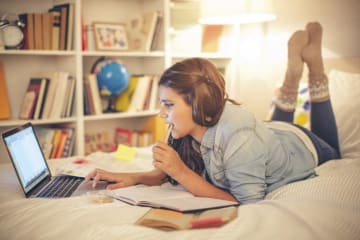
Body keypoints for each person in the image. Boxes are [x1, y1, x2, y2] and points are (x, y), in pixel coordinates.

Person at [85, 22, 340, 204]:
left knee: (335, 151)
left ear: (197, 105)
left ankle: (315, 70)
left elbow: (248, 202)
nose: (162, 113)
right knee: (267, 135)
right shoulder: (189, 127)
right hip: (268, 135)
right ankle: (291, 79)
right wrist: (130, 177)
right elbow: (164, 174)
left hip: (303, 143)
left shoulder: (240, 139)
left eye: (169, 105)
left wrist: (182, 173)